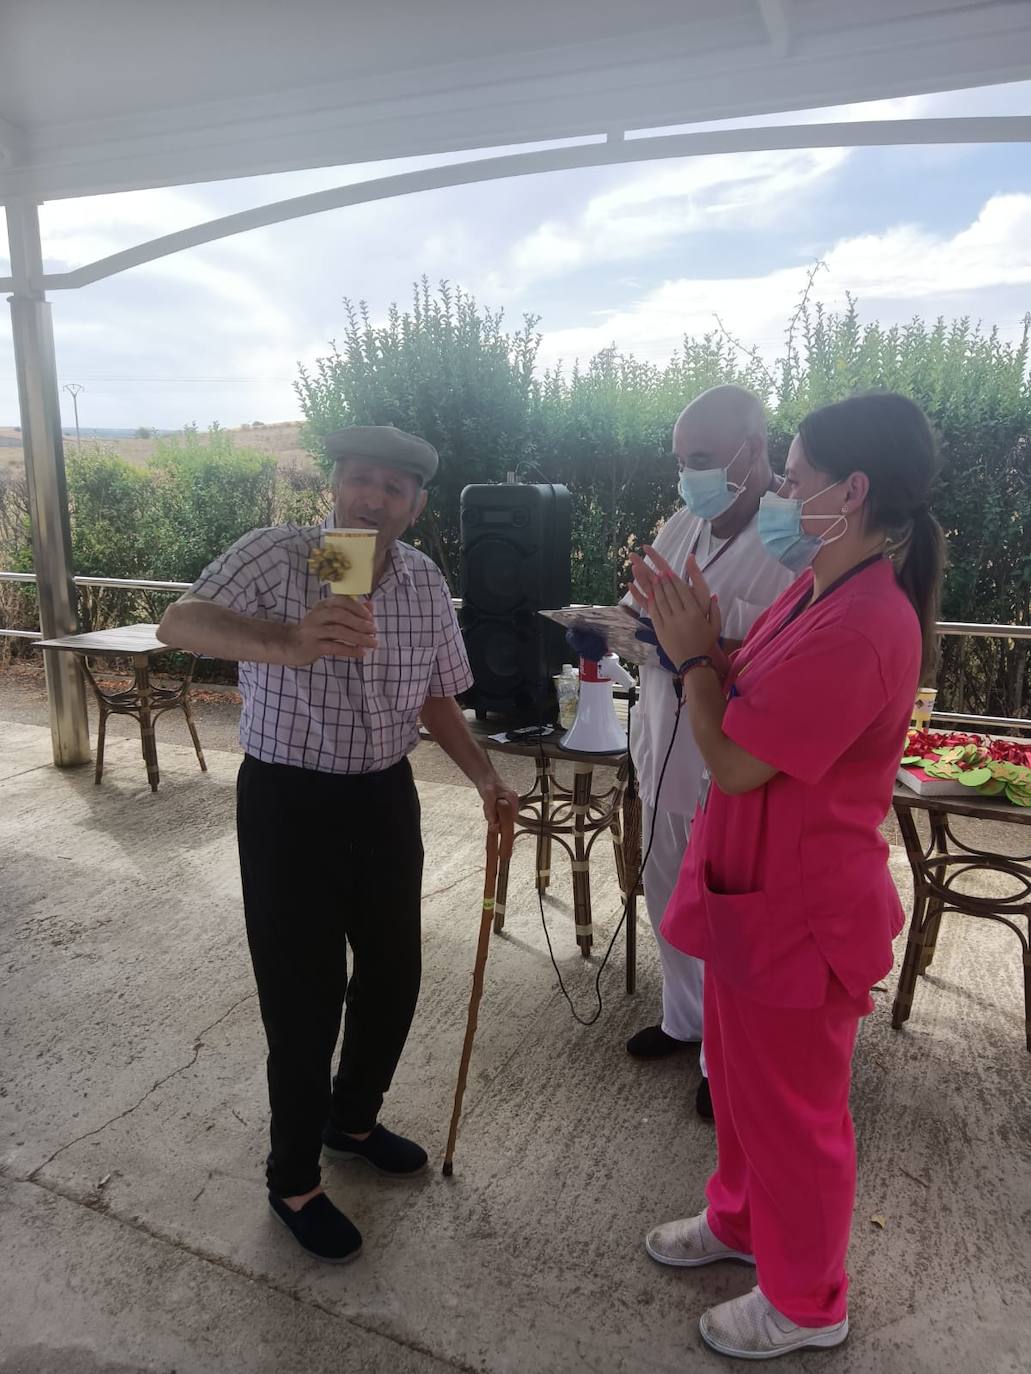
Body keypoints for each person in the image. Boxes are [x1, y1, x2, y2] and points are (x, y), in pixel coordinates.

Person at [630, 392, 945, 1359]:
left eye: (794, 477)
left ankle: (808, 1302)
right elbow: (751, 687)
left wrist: (689, 657)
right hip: (749, 892)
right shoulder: (820, 592)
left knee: (795, 1118)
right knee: (740, 1085)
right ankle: (736, 1222)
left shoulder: (862, 625)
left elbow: (732, 761)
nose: (779, 492)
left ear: (848, 492)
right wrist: (700, 640)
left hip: (799, 915)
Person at [158, 424, 518, 1265]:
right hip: (290, 801)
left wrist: (484, 776)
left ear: (415, 506)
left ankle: (350, 1121)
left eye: (393, 488)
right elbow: (180, 622)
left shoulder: (423, 580)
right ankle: (291, 1179)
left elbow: (436, 696)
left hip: (383, 796)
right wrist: (286, 641)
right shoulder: (287, 556)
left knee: (394, 972)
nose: (373, 498)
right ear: (335, 486)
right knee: (304, 994)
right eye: (360, 480)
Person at [622, 386, 793, 1118]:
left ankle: (725, 1058)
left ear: (749, 453)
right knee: (666, 889)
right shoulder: (682, 521)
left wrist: (701, 639)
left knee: (729, 910)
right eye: (679, 460)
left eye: (698, 460)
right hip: (664, 736)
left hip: (732, 755)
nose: (685, 476)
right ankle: (682, 1020)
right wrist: (620, 627)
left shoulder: (793, 539)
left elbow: (786, 651)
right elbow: (650, 613)